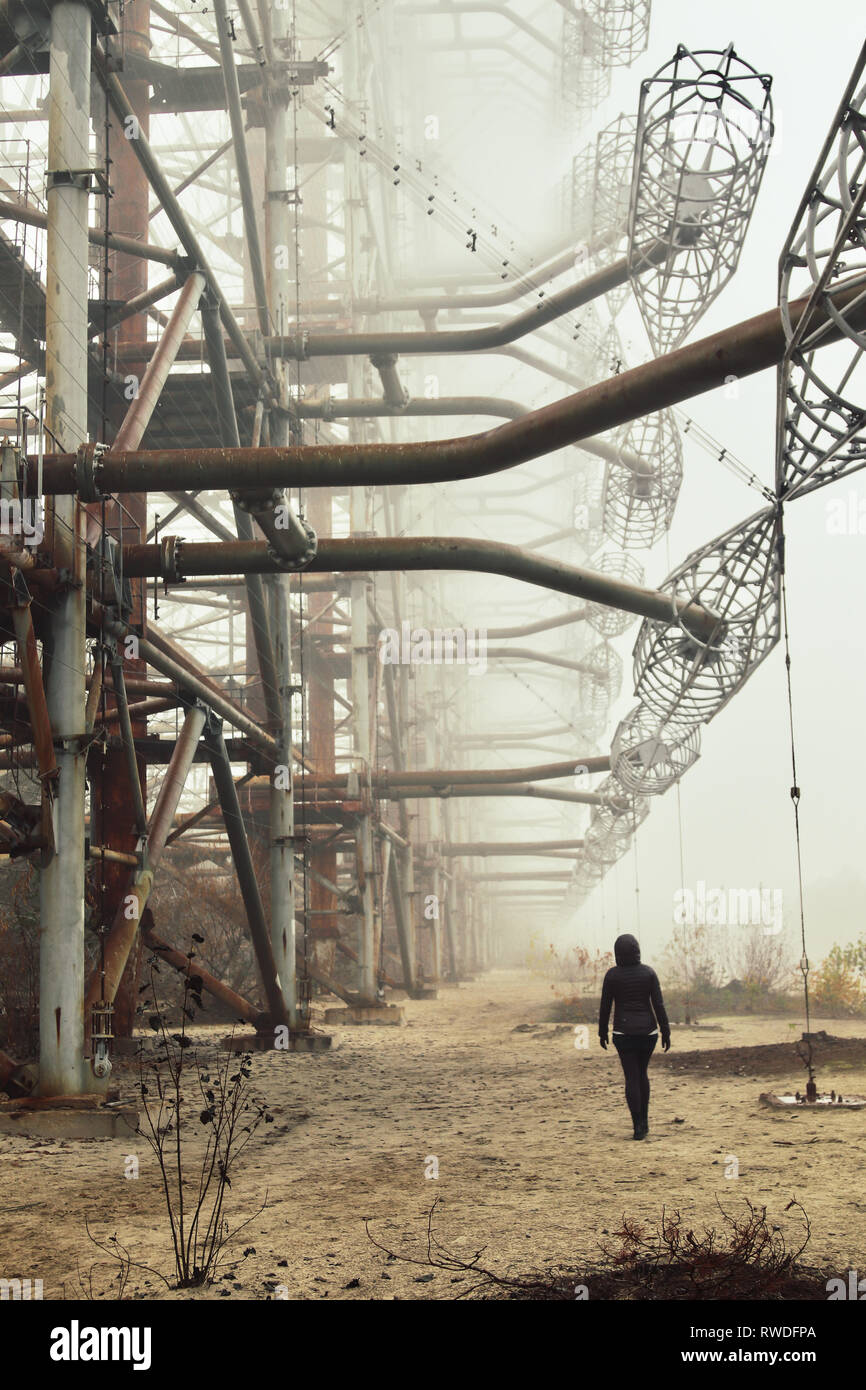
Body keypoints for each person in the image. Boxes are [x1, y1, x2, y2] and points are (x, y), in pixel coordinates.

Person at [598, 933, 670, 1140]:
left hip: (623, 1032)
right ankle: (645, 1122)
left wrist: (602, 1031)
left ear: (617, 953)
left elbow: (605, 1006)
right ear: (638, 950)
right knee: (642, 1075)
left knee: (631, 1077)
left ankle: (637, 1125)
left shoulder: (612, 976)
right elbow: (658, 1004)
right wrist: (666, 1030)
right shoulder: (648, 973)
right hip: (648, 1033)